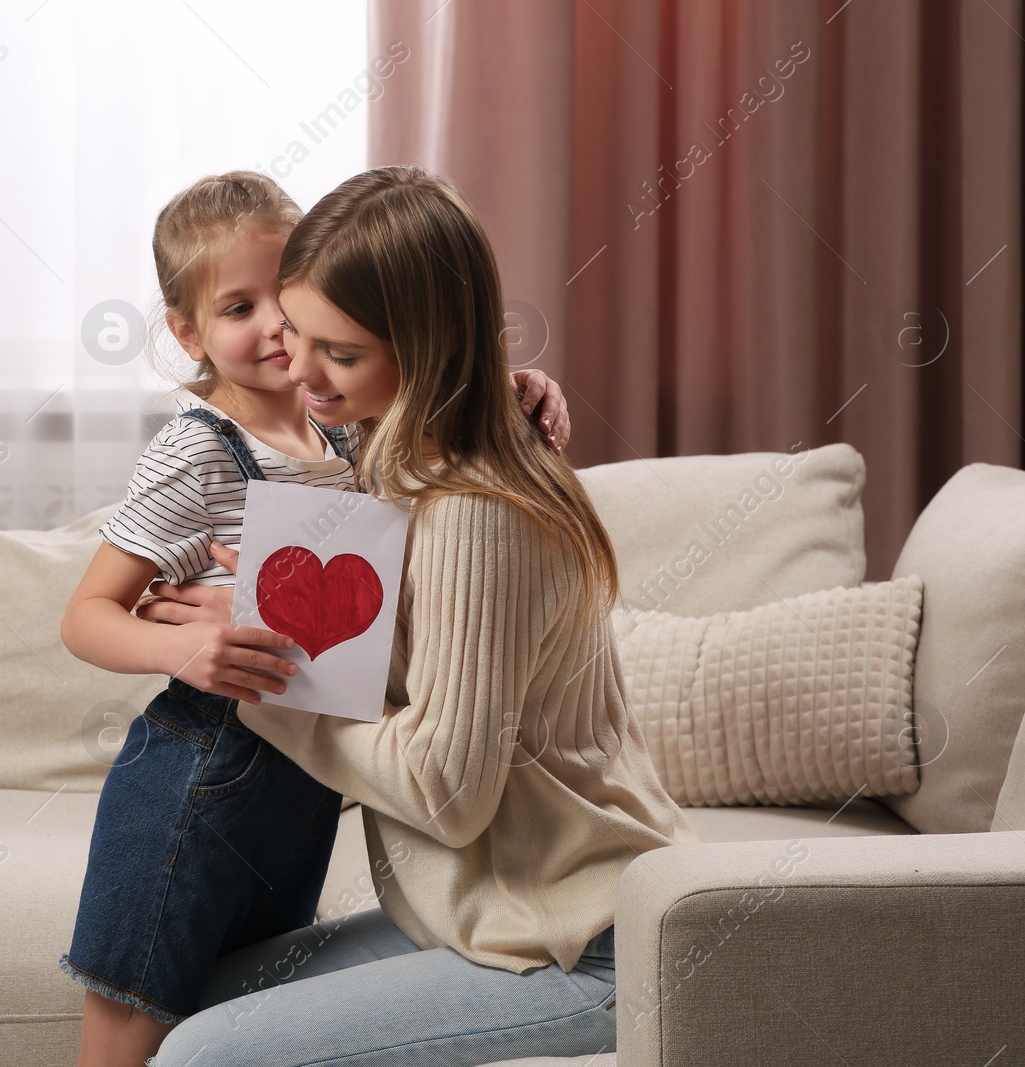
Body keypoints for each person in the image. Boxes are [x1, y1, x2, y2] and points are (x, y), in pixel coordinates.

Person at [136, 165, 698, 1067]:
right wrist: (256, 612)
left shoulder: (476, 509)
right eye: (296, 332)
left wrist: (267, 684)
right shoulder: (394, 457)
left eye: (342, 355)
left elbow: (446, 787)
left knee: (204, 1056)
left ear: (428, 351)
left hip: (581, 944)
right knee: (177, 1002)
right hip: (478, 919)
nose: (300, 373)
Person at [56, 169, 576, 1067]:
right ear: (186, 333)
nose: (272, 333)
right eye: (236, 308)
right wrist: (186, 644)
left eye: (287, 309)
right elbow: (86, 615)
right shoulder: (196, 452)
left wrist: (511, 387)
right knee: (131, 1029)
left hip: (298, 791)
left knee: (221, 1011)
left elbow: (433, 406)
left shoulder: (345, 430)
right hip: (194, 780)